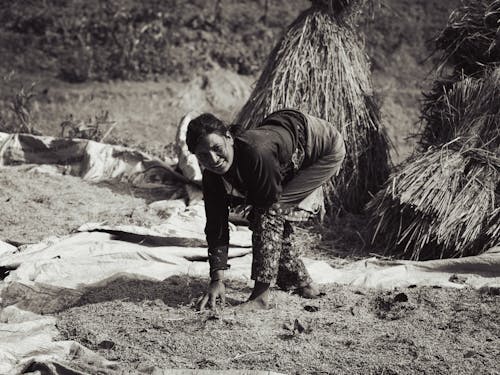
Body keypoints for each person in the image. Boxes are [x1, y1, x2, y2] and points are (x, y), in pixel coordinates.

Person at [186, 109, 346, 310]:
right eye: (203, 155)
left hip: (323, 147)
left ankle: (261, 298)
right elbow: (216, 224)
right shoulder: (212, 176)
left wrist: (259, 292)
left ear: (229, 137)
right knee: (264, 212)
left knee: (269, 213)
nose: (213, 159)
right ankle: (302, 284)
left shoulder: (257, 153)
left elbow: (269, 215)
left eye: (217, 148)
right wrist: (217, 279)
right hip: (285, 131)